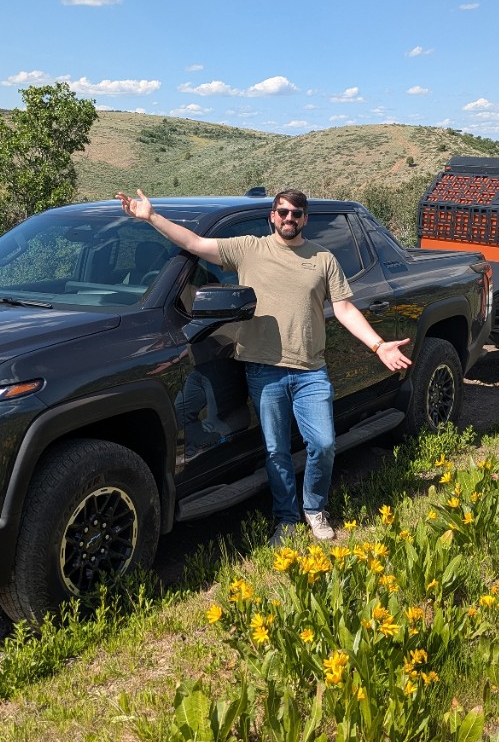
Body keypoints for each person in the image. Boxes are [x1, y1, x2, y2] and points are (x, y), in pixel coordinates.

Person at [117, 187, 412, 544]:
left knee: (323, 444)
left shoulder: (322, 259)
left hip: (310, 371)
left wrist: (378, 345)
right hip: (264, 370)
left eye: (296, 213)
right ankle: (286, 520)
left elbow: (345, 308)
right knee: (276, 451)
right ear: (272, 216)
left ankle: (315, 508)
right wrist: (151, 217)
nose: (289, 218)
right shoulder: (249, 249)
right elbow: (195, 243)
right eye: (283, 212)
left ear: (305, 219)